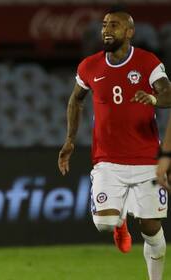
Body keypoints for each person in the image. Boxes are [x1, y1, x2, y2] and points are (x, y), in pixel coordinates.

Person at [58, 7, 171, 280]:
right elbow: (76, 100)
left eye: (115, 25)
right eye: (105, 25)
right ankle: (120, 222)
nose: (107, 30)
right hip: (107, 159)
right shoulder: (89, 66)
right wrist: (70, 140)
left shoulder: (147, 62)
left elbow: (167, 92)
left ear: (130, 32)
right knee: (104, 224)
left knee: (151, 228)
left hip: (146, 159)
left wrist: (155, 100)